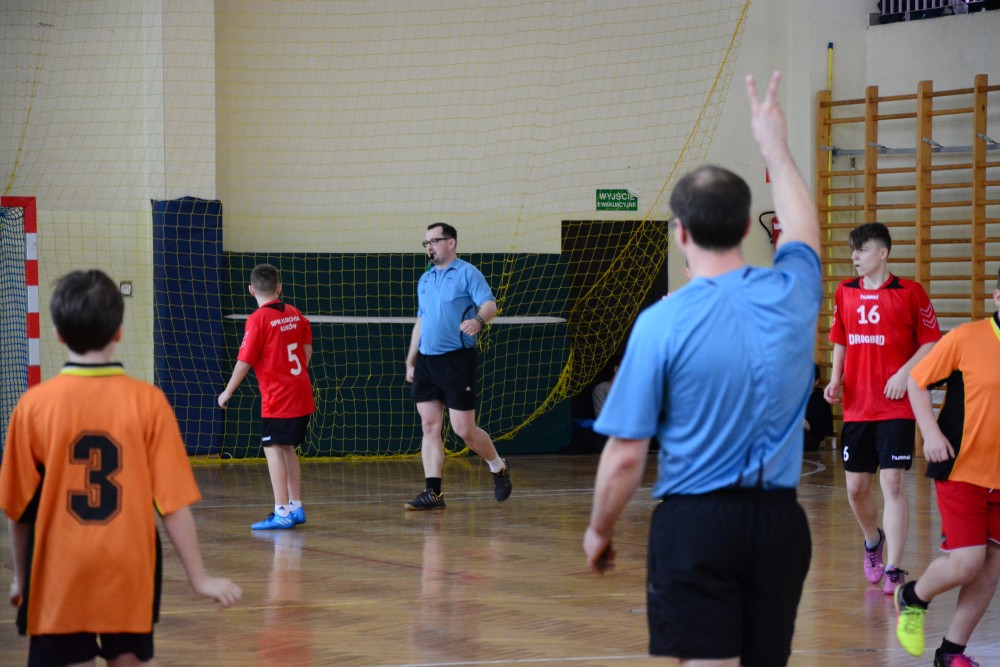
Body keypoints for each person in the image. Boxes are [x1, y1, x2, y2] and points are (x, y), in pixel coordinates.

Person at [583, 71, 821, 667]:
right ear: (745, 227)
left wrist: (600, 529)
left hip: (696, 524)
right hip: (779, 524)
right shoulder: (793, 295)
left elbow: (626, 456)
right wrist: (775, 148)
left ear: (680, 233)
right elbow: (804, 230)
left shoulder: (660, 323)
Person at [0, 269, 241, 667]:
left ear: (57, 334)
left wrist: (21, 580)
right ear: (119, 332)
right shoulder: (149, 402)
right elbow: (173, 505)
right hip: (129, 567)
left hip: (59, 571)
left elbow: (19, 511)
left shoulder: (33, 406)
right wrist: (199, 579)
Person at [824, 222, 940, 594]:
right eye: (853, 251)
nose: (855, 257)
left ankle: (894, 566)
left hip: (896, 406)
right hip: (857, 405)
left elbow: (931, 341)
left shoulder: (910, 292)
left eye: (862, 250)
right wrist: (835, 378)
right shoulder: (845, 291)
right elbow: (840, 338)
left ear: (883, 253)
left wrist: (905, 374)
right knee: (856, 488)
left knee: (892, 482)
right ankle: (873, 540)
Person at [894, 268, 1000, 666]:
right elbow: (917, 381)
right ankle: (913, 596)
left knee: (990, 569)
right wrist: (930, 432)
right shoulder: (966, 338)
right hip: (962, 470)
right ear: (997, 297)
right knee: (968, 562)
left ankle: (951, 653)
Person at [403, 223, 511, 510]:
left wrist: (478, 320)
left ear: (451, 243)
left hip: (456, 360)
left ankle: (498, 466)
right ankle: (433, 492)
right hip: (427, 361)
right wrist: (411, 359)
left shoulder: (467, 272)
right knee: (429, 425)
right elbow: (421, 321)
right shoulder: (425, 279)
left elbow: (490, 304)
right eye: (426, 242)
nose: (429, 246)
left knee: (464, 429)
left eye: (434, 241)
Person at [219, 263, 315, 530]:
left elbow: (244, 360)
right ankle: (295, 506)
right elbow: (307, 349)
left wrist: (227, 391)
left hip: (278, 396)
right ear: (279, 288)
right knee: (288, 448)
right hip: (301, 391)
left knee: (272, 448)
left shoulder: (258, 319)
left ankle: (281, 511)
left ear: (251, 290)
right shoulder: (294, 313)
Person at [803, 364, 834, 452]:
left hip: (812, 437)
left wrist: (809, 427)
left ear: (816, 381)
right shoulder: (795, 396)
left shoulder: (822, 399)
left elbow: (828, 429)